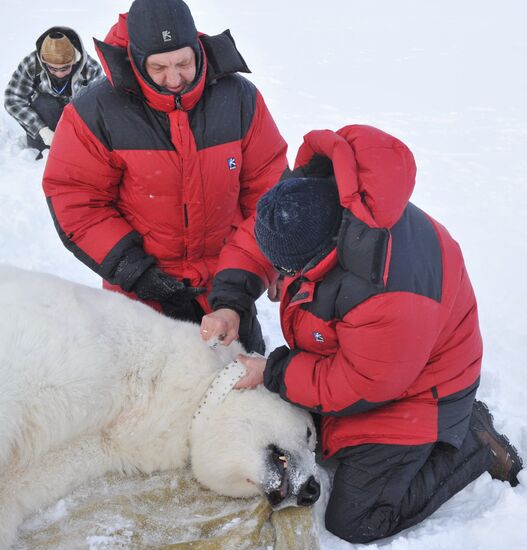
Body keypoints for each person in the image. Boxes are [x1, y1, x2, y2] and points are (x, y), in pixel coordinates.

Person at [222, 124, 523, 543]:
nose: (283, 280)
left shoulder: (390, 292)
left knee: (355, 519)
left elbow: (363, 383)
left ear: (323, 252)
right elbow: (267, 230)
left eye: (290, 271)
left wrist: (274, 372)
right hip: (389, 362)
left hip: (420, 390)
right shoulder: (321, 201)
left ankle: (474, 447)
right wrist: (229, 297)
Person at [42, 0, 287, 353]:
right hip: (141, 296)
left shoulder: (238, 99)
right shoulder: (96, 111)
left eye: (183, 63)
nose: (174, 79)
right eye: (158, 67)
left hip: (226, 290)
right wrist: (139, 275)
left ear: (198, 50)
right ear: (136, 61)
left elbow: (269, 194)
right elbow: (77, 201)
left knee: (242, 391)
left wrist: (244, 280)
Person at [4, 27, 103, 159]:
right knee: (44, 103)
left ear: (74, 60)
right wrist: (42, 130)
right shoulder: (32, 63)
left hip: (77, 121)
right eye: (52, 68)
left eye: (65, 68)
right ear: (44, 62)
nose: (59, 73)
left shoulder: (91, 69)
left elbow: (99, 107)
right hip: (45, 122)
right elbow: (13, 99)